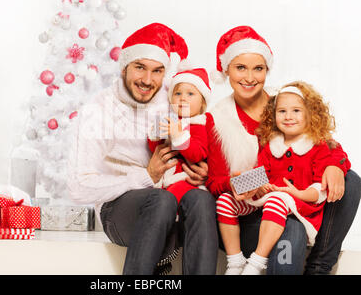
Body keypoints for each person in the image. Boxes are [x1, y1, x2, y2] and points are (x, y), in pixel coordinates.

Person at [206, 25, 360, 274]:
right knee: (291, 229)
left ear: (267, 70)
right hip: (251, 209)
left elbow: (323, 143)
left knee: (350, 179)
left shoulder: (285, 102)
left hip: (291, 196)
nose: (249, 77)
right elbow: (214, 182)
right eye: (240, 68)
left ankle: (319, 265)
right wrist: (238, 183)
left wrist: (334, 165)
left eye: (258, 68)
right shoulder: (217, 119)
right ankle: (249, 262)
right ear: (226, 70)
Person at [67, 23, 218, 275]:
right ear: (124, 67)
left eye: (157, 71)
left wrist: (203, 172)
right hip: (119, 209)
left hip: (175, 199)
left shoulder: (174, 98)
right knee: (161, 199)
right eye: (140, 68)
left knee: (201, 200)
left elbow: (200, 137)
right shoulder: (99, 111)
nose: (148, 80)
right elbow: (78, 187)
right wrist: (146, 176)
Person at [216, 81, 338, 274]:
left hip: (300, 204)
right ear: (274, 115)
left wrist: (298, 193)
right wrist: (254, 185)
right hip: (271, 201)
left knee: (277, 200)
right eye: (282, 111)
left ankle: (257, 262)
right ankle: (235, 261)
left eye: (296, 111)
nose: (288, 117)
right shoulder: (271, 144)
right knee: (225, 200)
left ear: (310, 114)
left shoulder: (317, 146)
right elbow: (260, 173)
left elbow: (320, 190)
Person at [148, 68, 212, 203]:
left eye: (190, 94)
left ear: (202, 103)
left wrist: (178, 136)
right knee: (157, 200)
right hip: (165, 179)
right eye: (177, 93)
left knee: (171, 197)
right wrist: (155, 135)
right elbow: (155, 150)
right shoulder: (170, 120)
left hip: (185, 179)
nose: (182, 98)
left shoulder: (198, 125)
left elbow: (197, 154)